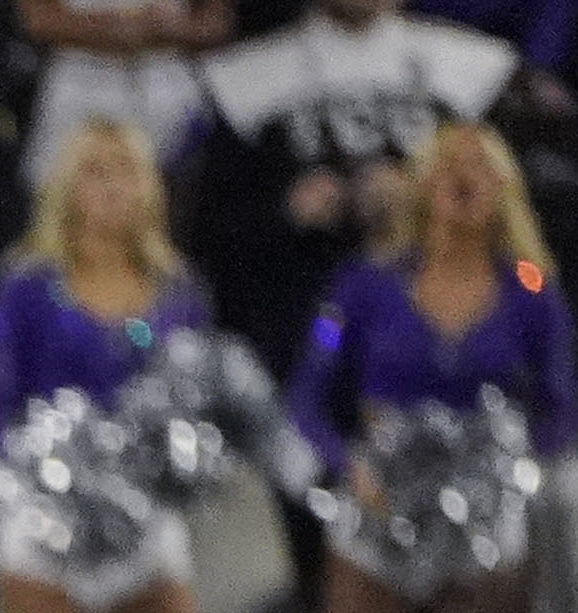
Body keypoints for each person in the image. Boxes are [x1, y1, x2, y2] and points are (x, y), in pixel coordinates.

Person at [288, 119, 575, 613]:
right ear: (419, 185)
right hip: (380, 507)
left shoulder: (531, 290)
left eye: (478, 166)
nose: (461, 178)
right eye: (446, 165)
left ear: (504, 189)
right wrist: (344, 465)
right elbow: (307, 395)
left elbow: (560, 407)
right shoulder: (362, 286)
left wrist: (514, 474)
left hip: (483, 524)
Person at [0, 121, 237, 613]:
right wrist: (33, 494)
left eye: (125, 171)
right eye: (94, 170)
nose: (111, 186)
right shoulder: (24, 288)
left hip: (145, 532)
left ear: (148, 188)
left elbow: (196, 405)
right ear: (65, 187)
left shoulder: (180, 293)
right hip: (44, 530)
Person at [187, 0, 518, 374]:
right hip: (296, 327)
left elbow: (520, 222)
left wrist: (422, 203)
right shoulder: (242, 78)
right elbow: (208, 234)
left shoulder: (477, 67)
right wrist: (287, 211)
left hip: (445, 325)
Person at [17, 0, 226, 201]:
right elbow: (36, 18)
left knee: (156, 205)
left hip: (164, 83)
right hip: (78, 79)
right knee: (56, 205)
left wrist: (173, 28)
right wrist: (107, 27)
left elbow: (215, 21)